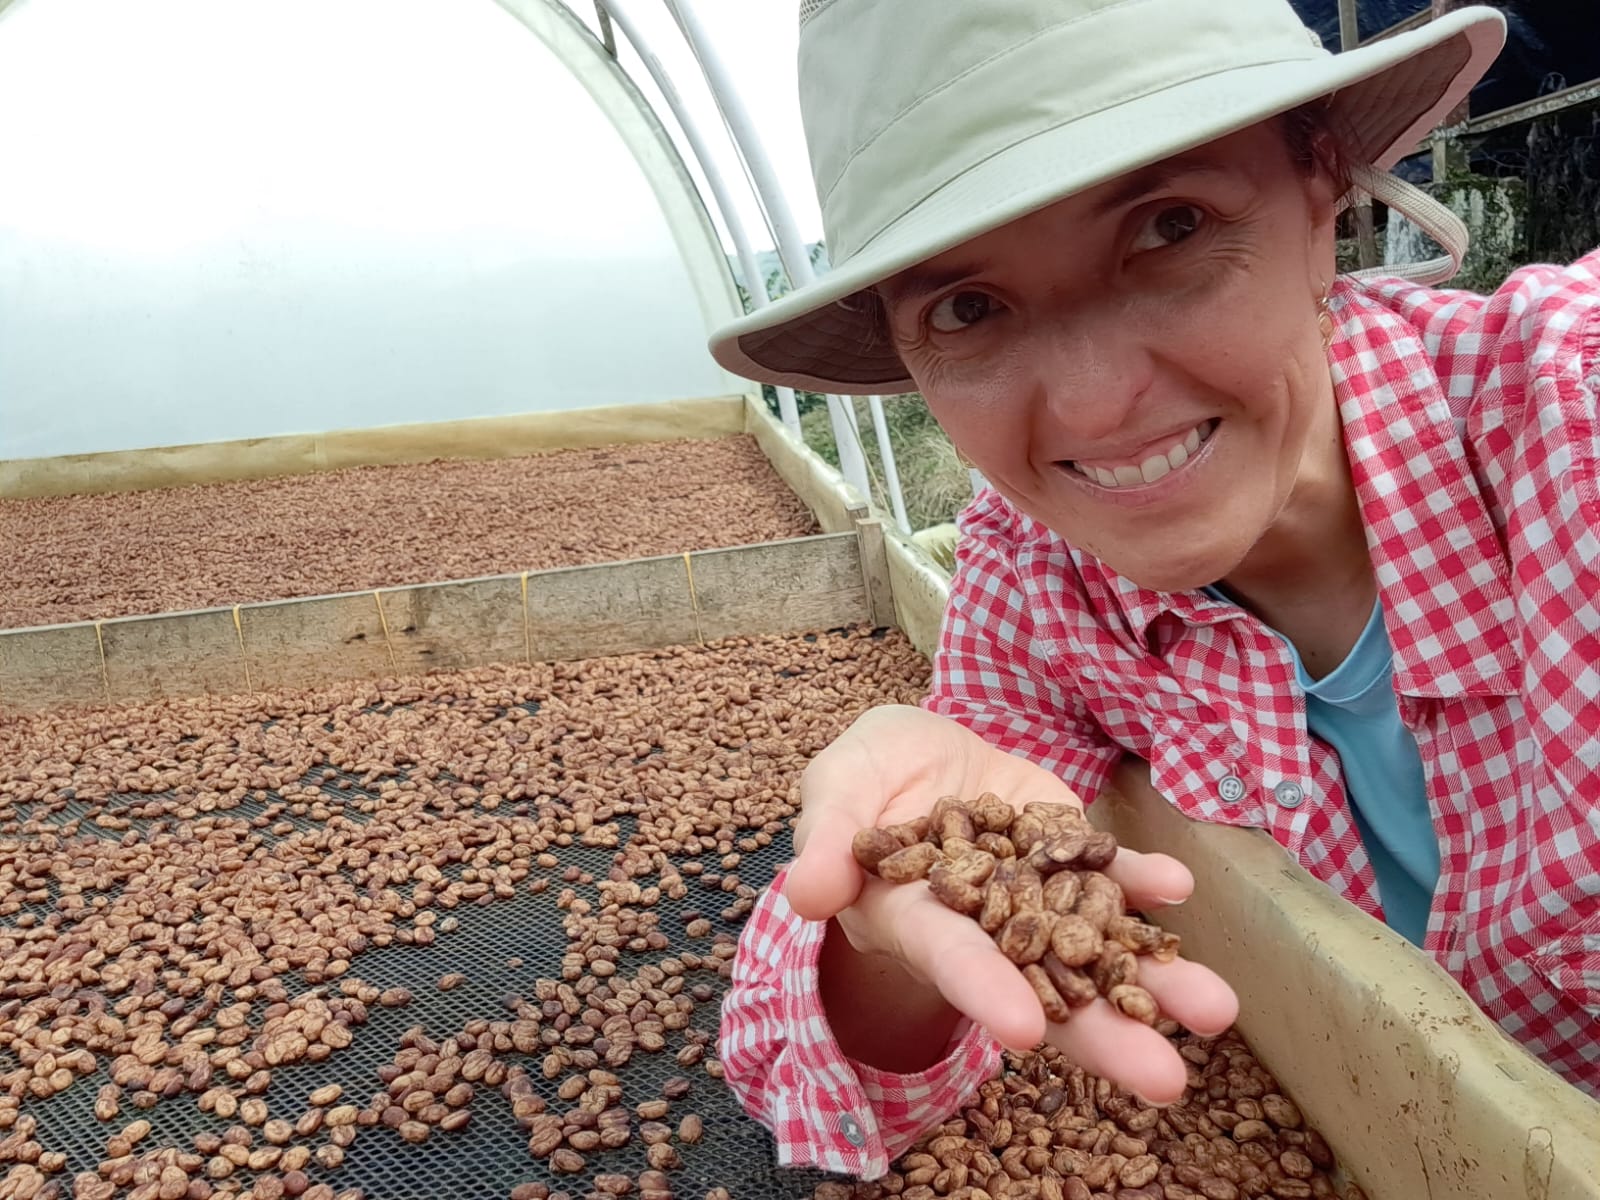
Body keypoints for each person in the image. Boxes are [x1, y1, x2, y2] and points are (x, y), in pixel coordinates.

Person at [706, 0, 1600, 1175]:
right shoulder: (1038, 579)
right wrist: (875, 907)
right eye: (967, 308)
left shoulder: (1568, 418)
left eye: (1169, 228)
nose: (1090, 406)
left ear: (1323, 186)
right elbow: (803, 1068)